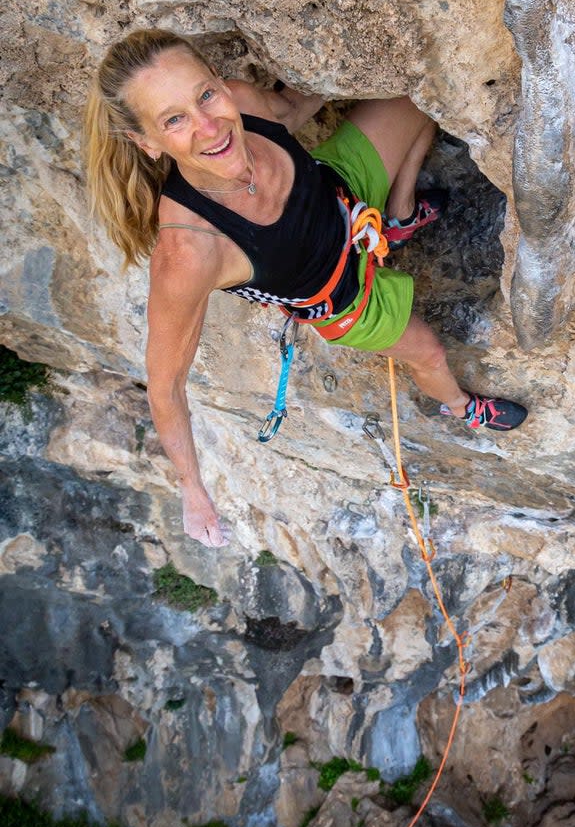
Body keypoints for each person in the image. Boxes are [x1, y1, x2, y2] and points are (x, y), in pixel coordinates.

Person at [86, 30, 527, 548]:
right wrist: (192, 489)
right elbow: (165, 385)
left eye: (206, 94)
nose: (210, 126)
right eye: (174, 120)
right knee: (428, 353)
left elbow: (291, 110)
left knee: (420, 96)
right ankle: (460, 407)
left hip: (343, 192)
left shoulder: (244, 103)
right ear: (148, 142)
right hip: (343, 297)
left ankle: (399, 213)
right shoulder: (189, 253)